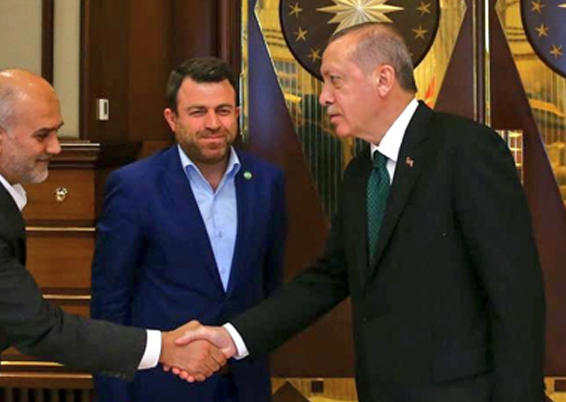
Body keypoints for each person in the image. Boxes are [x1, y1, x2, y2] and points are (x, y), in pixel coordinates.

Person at [174, 22, 545, 402]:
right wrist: (233, 337)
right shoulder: (361, 172)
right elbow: (330, 277)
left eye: (335, 81)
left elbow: (515, 294)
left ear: (383, 79)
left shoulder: (466, 151)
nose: (323, 97)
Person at [0, 68, 226, 398]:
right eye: (42, 135)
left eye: (56, 132)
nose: (56, 147)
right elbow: (41, 329)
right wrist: (164, 348)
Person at [90, 57, 286, 402]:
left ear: (237, 114)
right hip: (162, 386)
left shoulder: (267, 181)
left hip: (244, 384)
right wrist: (114, 393)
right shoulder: (135, 187)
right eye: (198, 112)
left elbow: (270, 284)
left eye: (223, 111)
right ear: (172, 119)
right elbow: (110, 302)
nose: (213, 124)